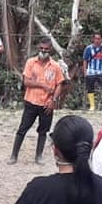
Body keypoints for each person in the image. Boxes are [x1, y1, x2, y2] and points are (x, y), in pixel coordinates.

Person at [8, 37, 67, 165]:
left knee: (43, 131)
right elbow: (26, 81)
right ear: (38, 48)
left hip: (47, 104)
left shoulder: (55, 66)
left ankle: (39, 156)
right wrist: (42, 85)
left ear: (50, 50)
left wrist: (54, 100)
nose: (43, 51)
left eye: (46, 49)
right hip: (31, 101)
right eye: (41, 48)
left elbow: (60, 84)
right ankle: (14, 155)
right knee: (22, 129)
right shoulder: (31, 62)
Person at [82, 33, 102, 111]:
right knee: (90, 88)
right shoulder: (88, 48)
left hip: (101, 71)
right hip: (91, 72)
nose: (97, 40)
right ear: (93, 39)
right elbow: (85, 60)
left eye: (99, 39)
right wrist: (85, 72)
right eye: (95, 38)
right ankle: (92, 106)